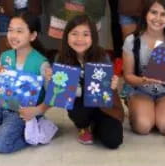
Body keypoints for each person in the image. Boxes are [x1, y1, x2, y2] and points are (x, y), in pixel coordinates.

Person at [0, 13, 51, 153]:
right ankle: (4, 129)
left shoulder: (42, 63)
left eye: (19, 31)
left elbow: (52, 96)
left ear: (32, 36)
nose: (13, 35)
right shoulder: (5, 56)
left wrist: (37, 111)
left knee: (0, 144)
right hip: (0, 106)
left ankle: (34, 133)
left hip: (23, 112)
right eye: (10, 30)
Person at [53, 14, 124, 148]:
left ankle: (95, 126)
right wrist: (51, 81)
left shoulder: (102, 56)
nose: (80, 39)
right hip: (80, 107)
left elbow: (109, 90)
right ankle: (83, 126)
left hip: (102, 107)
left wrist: (113, 86)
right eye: (74, 34)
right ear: (66, 36)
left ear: (93, 37)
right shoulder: (61, 58)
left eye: (86, 34)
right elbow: (59, 97)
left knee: (113, 140)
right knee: (77, 106)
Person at [122, 0, 165, 135]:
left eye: (163, 14)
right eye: (153, 12)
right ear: (145, 14)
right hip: (141, 91)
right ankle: (135, 105)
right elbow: (127, 76)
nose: (158, 19)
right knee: (143, 126)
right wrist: (143, 80)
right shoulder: (132, 41)